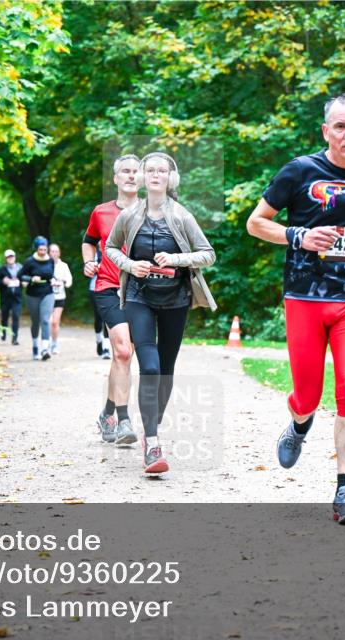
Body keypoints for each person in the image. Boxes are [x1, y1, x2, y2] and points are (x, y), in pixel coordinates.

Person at [246, 93, 345, 525]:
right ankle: (298, 425)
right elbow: (256, 222)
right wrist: (298, 236)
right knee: (308, 395)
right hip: (305, 297)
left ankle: (344, 491)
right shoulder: (299, 171)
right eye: (340, 127)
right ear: (325, 131)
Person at [106, 152, 217, 475]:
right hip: (139, 297)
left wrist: (176, 259)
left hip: (175, 300)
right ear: (142, 177)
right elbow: (111, 248)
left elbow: (207, 255)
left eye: (162, 171)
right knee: (150, 367)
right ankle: (153, 443)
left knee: (166, 371)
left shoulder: (181, 216)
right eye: (150, 170)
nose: (156, 175)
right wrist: (130, 265)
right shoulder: (129, 215)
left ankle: (151, 428)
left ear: (171, 178)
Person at [82, 155, 141, 445]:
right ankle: (123, 419)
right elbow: (88, 240)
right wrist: (88, 263)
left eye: (135, 172)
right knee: (122, 351)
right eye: (125, 171)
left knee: (125, 353)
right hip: (107, 287)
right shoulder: (101, 212)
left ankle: (106, 413)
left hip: (141, 291)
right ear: (115, 179)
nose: (131, 176)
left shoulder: (151, 211)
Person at [18, 236, 56, 361]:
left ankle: (45, 349)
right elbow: (20, 276)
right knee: (35, 321)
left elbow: (52, 275)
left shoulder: (50, 260)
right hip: (33, 294)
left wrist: (54, 280)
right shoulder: (30, 261)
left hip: (48, 293)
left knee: (45, 320)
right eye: (40, 249)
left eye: (45, 249)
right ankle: (35, 346)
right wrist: (31, 279)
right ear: (36, 248)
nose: (43, 252)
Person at [0, 249, 22, 345]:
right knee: (5, 316)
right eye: (8, 257)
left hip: (17, 297)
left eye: (12, 256)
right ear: (6, 259)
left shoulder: (20, 268)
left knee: (16, 316)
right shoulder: (1, 270)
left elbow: (26, 278)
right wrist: (3, 282)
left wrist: (21, 281)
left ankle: (15, 338)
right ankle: (3, 333)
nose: (10, 258)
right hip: (5, 298)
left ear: (15, 257)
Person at [48, 243, 73, 356]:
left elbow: (69, 280)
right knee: (48, 321)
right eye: (52, 251)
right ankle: (46, 343)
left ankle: (54, 343)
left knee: (55, 322)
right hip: (47, 297)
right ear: (49, 253)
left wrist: (63, 281)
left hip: (60, 297)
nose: (54, 253)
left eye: (56, 251)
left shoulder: (64, 265)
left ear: (59, 253)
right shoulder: (45, 265)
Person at [89, 248, 112, 359]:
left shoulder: (113, 252)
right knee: (98, 318)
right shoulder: (94, 254)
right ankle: (99, 340)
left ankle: (106, 348)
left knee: (106, 318)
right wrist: (95, 268)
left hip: (110, 288)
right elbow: (86, 273)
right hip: (95, 288)